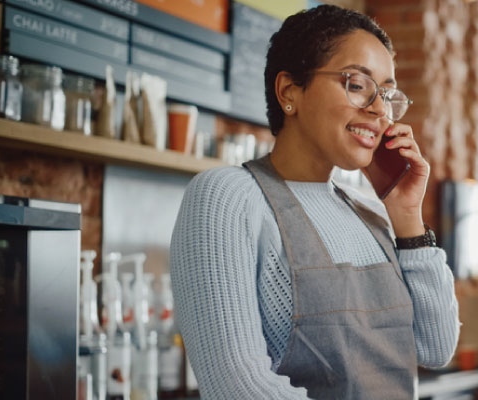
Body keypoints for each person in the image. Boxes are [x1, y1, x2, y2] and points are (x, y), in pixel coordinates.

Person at [170, 5, 459, 398]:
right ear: (290, 91)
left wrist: (408, 218)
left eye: (387, 94)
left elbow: (436, 348)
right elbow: (237, 387)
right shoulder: (228, 197)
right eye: (358, 84)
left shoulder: (372, 212)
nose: (379, 110)